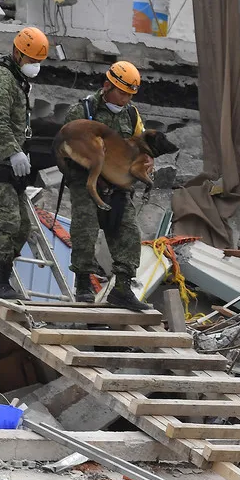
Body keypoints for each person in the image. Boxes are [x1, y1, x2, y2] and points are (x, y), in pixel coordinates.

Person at [61, 60, 149, 311]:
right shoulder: (82, 111)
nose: (124, 100)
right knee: (85, 232)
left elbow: (140, 143)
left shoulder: (132, 115)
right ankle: (83, 285)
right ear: (107, 85)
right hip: (87, 184)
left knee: (129, 233)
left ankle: (122, 288)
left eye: (129, 95)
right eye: (121, 93)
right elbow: (67, 147)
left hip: (118, 186)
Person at [0, 26, 48, 300]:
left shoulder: (18, 79)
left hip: (11, 163)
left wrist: (21, 152)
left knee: (23, 227)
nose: (34, 66)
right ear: (17, 53)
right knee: (8, 220)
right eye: (30, 60)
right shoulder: (2, 78)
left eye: (37, 62)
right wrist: (12, 152)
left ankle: (2, 277)